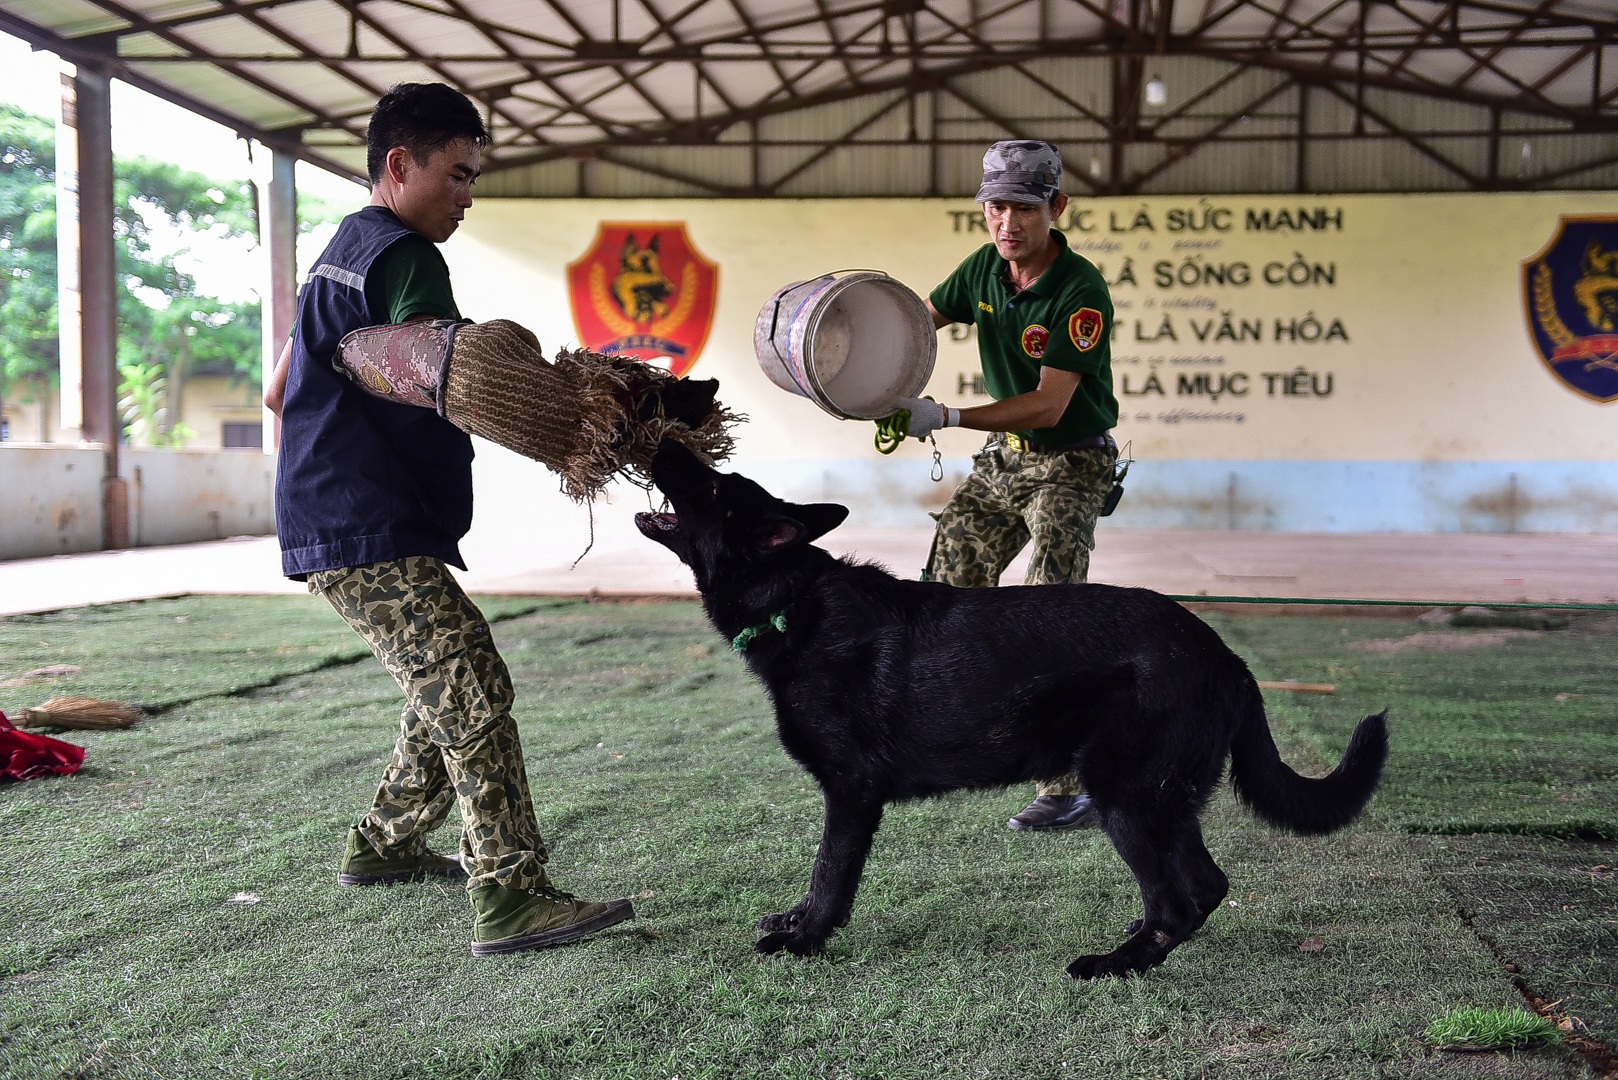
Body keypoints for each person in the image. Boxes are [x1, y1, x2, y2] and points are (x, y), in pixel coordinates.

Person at [265, 82, 634, 956]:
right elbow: (457, 378)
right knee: (472, 692)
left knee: (445, 683)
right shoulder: (405, 257)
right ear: (402, 164)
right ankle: (511, 895)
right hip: (368, 521)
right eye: (459, 175)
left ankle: (385, 844)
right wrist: (569, 413)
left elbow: (277, 390)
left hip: (342, 518)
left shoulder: (339, 254)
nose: (470, 195)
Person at [894, 140, 1120, 833]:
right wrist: (867, 372)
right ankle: (943, 737)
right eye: (995, 206)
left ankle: (1070, 783)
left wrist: (947, 415)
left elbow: (1050, 406)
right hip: (1004, 460)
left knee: (1051, 611)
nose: (1006, 222)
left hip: (1071, 460)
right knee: (943, 591)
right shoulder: (984, 271)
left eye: (1022, 206)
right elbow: (911, 325)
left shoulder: (1080, 290)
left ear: (1056, 207)